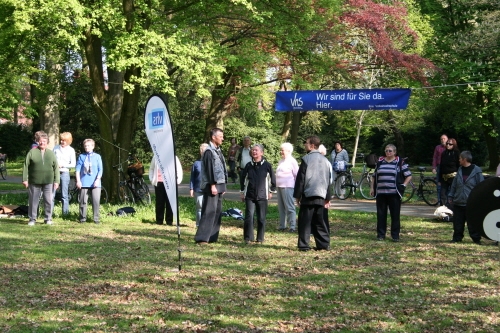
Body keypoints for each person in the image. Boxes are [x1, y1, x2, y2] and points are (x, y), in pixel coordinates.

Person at [294, 135, 332, 251]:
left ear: (312, 145)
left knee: (305, 221)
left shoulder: (306, 159)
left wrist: (298, 195)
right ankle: (323, 244)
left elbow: (301, 179)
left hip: (308, 194)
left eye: (306, 143)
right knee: (320, 221)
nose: (304, 145)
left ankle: (304, 245)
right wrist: (328, 197)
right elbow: (329, 179)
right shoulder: (326, 160)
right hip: (321, 194)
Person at [370, 144, 412, 242]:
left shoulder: (400, 162)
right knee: (381, 215)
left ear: (394, 152)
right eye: (386, 151)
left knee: (395, 215)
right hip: (381, 193)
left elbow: (408, 175)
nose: (388, 153)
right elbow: (374, 176)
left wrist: (403, 185)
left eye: (390, 151)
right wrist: (372, 188)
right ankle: (381, 235)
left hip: (394, 194)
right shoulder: (380, 162)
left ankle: (395, 235)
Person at [194, 128, 228, 245]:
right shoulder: (209, 151)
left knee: (217, 212)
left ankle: (212, 236)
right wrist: (213, 185)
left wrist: (223, 186)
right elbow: (209, 170)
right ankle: (202, 238)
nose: (223, 138)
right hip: (211, 185)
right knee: (209, 211)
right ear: (214, 137)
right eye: (220, 136)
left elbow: (222, 168)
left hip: (219, 185)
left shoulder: (218, 150)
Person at [240, 144, 276, 244]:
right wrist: (242, 192)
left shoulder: (267, 165)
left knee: (261, 218)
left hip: (262, 195)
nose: (254, 152)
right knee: (249, 216)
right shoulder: (248, 165)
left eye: (256, 150)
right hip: (249, 195)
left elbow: (273, 180)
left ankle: (260, 238)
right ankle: (248, 238)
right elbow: (243, 179)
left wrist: (271, 191)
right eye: (252, 150)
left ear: (261, 153)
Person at [22, 131, 60, 226]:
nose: (42, 143)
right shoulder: (32, 152)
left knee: (48, 200)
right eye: (40, 141)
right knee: (33, 200)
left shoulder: (51, 154)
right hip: (34, 181)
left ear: (47, 142)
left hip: (48, 181)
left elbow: (56, 168)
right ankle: (32, 219)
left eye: (44, 141)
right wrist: (25, 179)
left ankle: (48, 219)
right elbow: (25, 166)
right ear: (38, 142)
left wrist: (57, 181)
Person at [448, 151, 484, 244]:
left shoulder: (477, 171)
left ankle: (476, 239)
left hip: (471, 203)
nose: (458, 160)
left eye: (460, 158)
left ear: (465, 159)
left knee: (472, 223)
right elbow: (454, 185)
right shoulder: (459, 170)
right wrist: (451, 195)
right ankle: (457, 238)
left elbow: (481, 186)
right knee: (457, 222)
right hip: (459, 201)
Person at [75, 139, 103, 224]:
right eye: (85, 146)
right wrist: (78, 181)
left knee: (96, 201)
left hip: (95, 182)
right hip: (84, 182)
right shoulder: (81, 156)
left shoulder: (97, 156)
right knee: (83, 201)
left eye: (89, 145)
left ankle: (96, 218)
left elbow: (100, 170)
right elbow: (77, 170)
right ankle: (82, 218)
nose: (87, 147)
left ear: (93, 146)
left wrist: (97, 180)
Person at [150, 155, 183, 225]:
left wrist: (178, 180)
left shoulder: (173, 156)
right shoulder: (156, 156)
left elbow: (179, 169)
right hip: (159, 182)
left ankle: (169, 220)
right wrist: (151, 179)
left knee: (169, 202)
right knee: (159, 202)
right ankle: (159, 220)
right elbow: (151, 168)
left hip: (170, 182)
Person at [276, 142, 299, 232]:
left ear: (288, 151)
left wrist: (297, 188)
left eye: (282, 150)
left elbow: (297, 175)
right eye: (281, 150)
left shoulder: (292, 161)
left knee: (289, 207)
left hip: (288, 186)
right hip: (279, 186)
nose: (281, 152)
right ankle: (282, 225)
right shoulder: (281, 161)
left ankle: (292, 226)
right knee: (281, 207)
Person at [53, 132, 76, 215]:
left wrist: (63, 165)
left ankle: (65, 214)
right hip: (55, 173)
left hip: (65, 173)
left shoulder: (71, 150)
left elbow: (73, 164)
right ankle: (49, 213)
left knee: (64, 194)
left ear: (69, 141)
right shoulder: (55, 148)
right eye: (61, 140)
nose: (62, 142)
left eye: (65, 140)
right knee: (52, 193)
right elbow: (52, 159)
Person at [190, 143, 209, 227]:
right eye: (202, 150)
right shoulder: (196, 163)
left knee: (208, 208)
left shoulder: (210, 163)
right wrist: (191, 188)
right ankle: (199, 224)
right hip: (198, 189)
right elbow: (192, 177)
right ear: (200, 151)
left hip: (208, 189)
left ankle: (207, 224)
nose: (203, 152)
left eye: (205, 150)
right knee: (199, 208)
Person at [438, 138, 460, 208]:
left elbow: (459, 165)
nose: (448, 145)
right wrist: (439, 179)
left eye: (450, 144)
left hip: (453, 176)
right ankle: (443, 208)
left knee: (452, 193)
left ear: (454, 145)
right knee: (442, 193)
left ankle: (453, 208)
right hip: (444, 177)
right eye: (447, 143)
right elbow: (441, 166)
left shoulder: (457, 153)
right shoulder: (444, 153)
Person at [318, 144, 333, 234]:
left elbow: (329, 179)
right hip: (319, 189)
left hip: (323, 189)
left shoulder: (326, 162)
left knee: (323, 211)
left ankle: (324, 229)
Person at [432, 134, 448, 205]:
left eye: (444, 139)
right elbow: (435, 157)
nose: (443, 140)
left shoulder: (449, 147)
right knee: (439, 184)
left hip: (448, 168)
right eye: (441, 139)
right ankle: (439, 201)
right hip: (439, 167)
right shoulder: (438, 147)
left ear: (447, 139)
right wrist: (434, 167)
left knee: (448, 185)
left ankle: (447, 201)